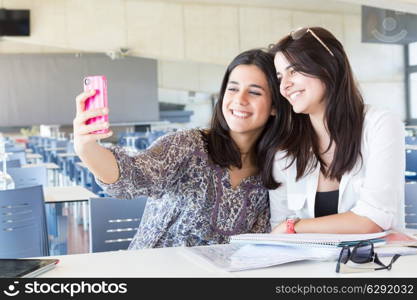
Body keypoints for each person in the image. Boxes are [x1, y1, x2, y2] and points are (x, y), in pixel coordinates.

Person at [73, 49, 292, 249]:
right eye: (232, 88)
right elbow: (132, 176)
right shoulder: (187, 145)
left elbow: (259, 245)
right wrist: (86, 148)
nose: (239, 99)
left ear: (274, 106)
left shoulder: (273, 170)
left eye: (254, 92)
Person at [268, 27, 405, 234]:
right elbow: (277, 231)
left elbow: (373, 219)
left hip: (375, 264)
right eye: (280, 77)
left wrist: (295, 226)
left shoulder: (380, 125)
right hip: (307, 266)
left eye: (293, 71)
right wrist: (289, 228)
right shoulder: (285, 152)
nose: (284, 86)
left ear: (328, 67)